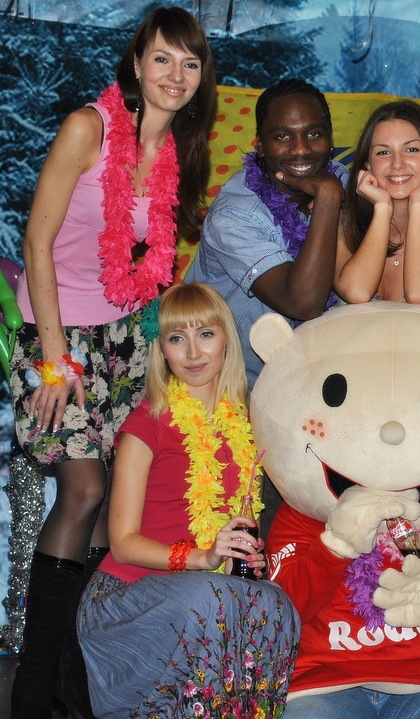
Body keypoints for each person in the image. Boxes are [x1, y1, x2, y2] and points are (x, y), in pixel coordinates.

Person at [9, 7, 216, 717]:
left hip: (127, 339)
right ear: (136, 64)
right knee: (85, 490)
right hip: (55, 335)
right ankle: (33, 686)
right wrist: (56, 362)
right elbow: (36, 244)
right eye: (162, 59)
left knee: (111, 510)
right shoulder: (87, 129)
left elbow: (154, 267)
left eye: (190, 64)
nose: (175, 75)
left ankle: (79, 684)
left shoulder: (182, 150)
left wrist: (169, 350)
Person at [76, 282, 300, 719]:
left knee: (276, 604)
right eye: (177, 338)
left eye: (206, 334)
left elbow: (240, 522)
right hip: (130, 596)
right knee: (208, 600)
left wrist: (243, 557)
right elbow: (122, 543)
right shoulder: (146, 424)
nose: (193, 352)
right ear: (162, 350)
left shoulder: (247, 423)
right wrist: (203, 557)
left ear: (226, 340)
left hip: (209, 588)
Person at [186, 78, 348, 388]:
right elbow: (303, 303)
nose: (301, 149)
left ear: (330, 139)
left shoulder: (345, 178)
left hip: (320, 381)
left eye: (313, 134)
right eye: (282, 136)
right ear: (260, 145)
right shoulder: (234, 216)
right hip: (235, 389)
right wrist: (328, 199)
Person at [335, 99, 420, 304]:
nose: (397, 164)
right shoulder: (342, 226)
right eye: (383, 152)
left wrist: (418, 206)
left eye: (411, 150)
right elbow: (356, 292)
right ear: (368, 165)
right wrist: (382, 208)